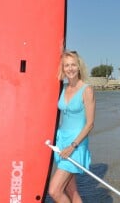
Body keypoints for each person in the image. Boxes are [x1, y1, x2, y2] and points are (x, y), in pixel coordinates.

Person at [48, 51, 96, 203]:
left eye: (73, 64)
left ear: (79, 67)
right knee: (71, 190)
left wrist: (73, 146)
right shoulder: (62, 88)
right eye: (66, 65)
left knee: (54, 191)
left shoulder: (86, 90)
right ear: (63, 68)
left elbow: (90, 124)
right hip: (62, 140)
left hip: (76, 143)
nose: (70, 68)